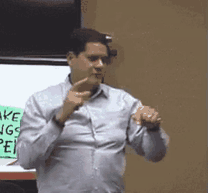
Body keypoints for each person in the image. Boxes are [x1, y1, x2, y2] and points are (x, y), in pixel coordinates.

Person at [16, 28, 170, 193]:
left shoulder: (123, 102)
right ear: (70, 59)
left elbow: (155, 155)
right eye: (92, 59)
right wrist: (60, 118)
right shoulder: (41, 101)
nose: (100, 65)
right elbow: (26, 159)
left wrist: (153, 129)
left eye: (104, 60)